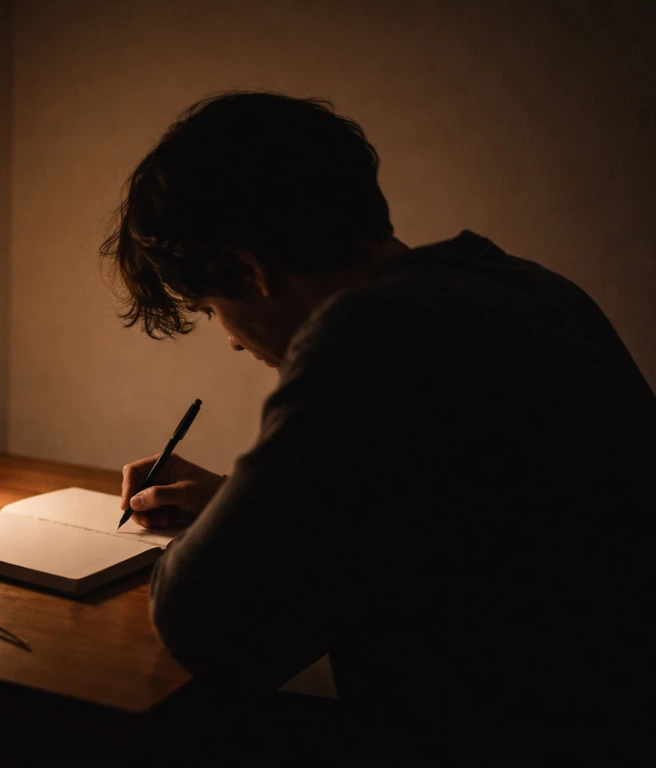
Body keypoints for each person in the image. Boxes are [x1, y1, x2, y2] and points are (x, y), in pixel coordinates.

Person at [100, 91, 656, 762]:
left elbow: (196, 617)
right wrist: (234, 506)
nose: (232, 342)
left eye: (213, 305)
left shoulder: (367, 332)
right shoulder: (526, 287)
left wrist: (230, 534)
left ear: (251, 270)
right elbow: (435, 520)